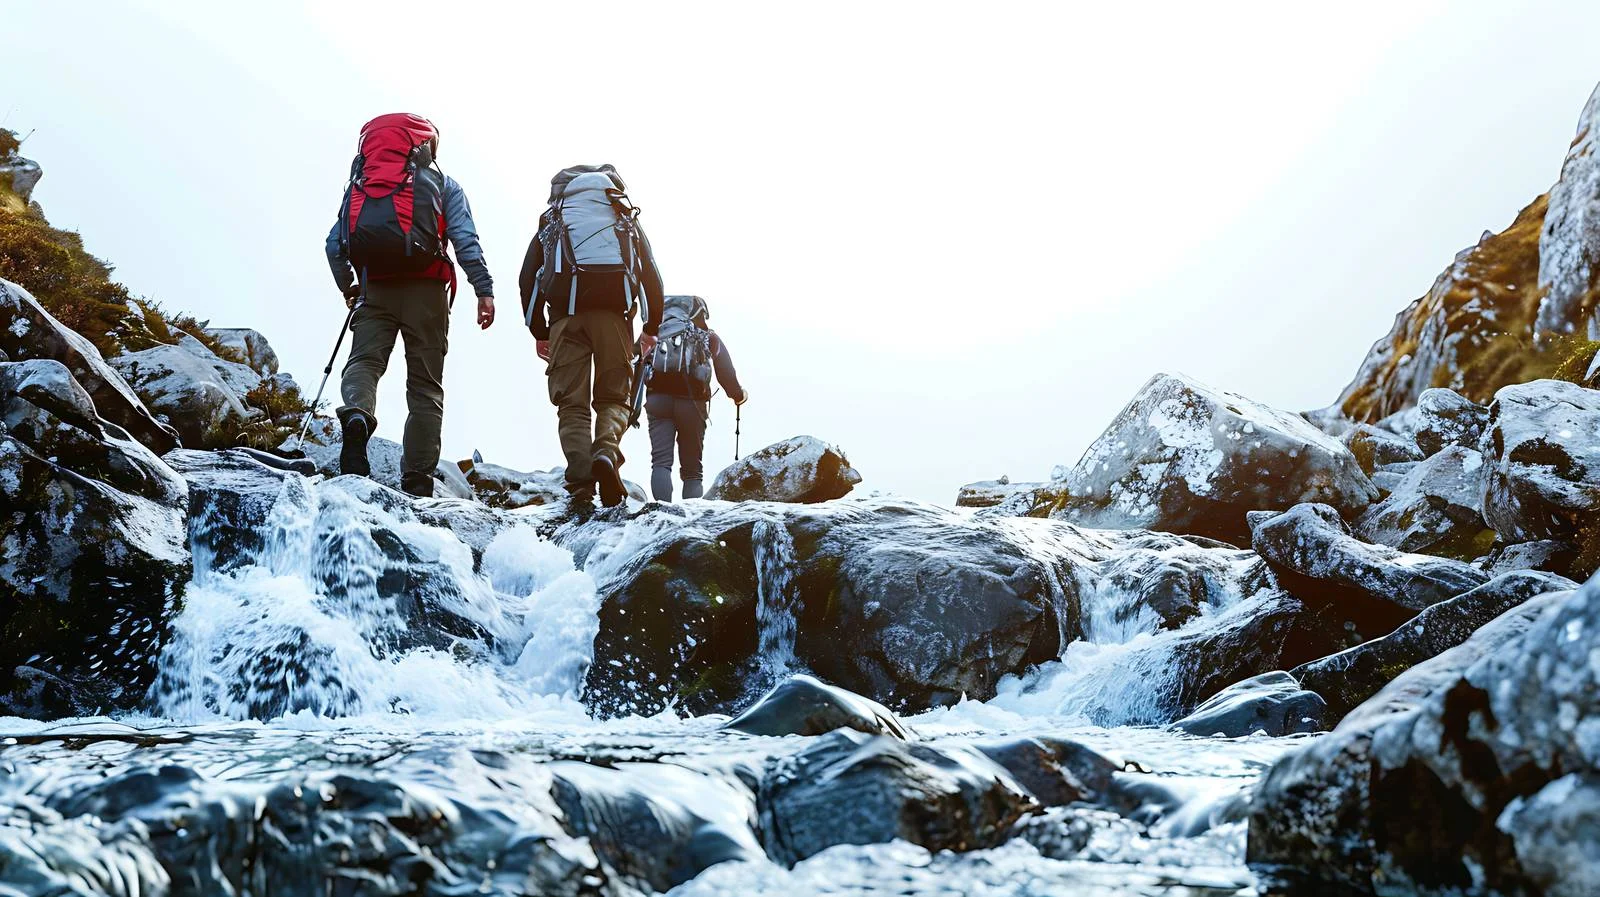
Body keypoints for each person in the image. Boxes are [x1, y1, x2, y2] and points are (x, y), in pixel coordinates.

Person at [324, 113, 496, 498]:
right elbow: (465, 241)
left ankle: (357, 416)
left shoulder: (360, 186)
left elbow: (334, 244)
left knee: (364, 363)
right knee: (424, 386)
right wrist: (483, 290)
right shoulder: (443, 185)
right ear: (425, 146)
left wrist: (349, 287)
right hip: (427, 293)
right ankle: (417, 480)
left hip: (374, 289)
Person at [520, 165, 664, 508]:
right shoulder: (622, 216)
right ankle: (605, 452)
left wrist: (539, 330)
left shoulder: (554, 218)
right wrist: (651, 328)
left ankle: (581, 484)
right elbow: (651, 275)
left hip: (565, 319)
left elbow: (528, 277)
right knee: (615, 397)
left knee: (572, 403)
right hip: (615, 318)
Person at [644, 295, 747, 500]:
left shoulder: (654, 334)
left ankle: (661, 511)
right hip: (692, 403)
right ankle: (690, 514)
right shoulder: (708, 337)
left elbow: (636, 363)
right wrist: (738, 395)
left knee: (661, 462)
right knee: (692, 470)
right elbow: (726, 372)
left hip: (657, 401)